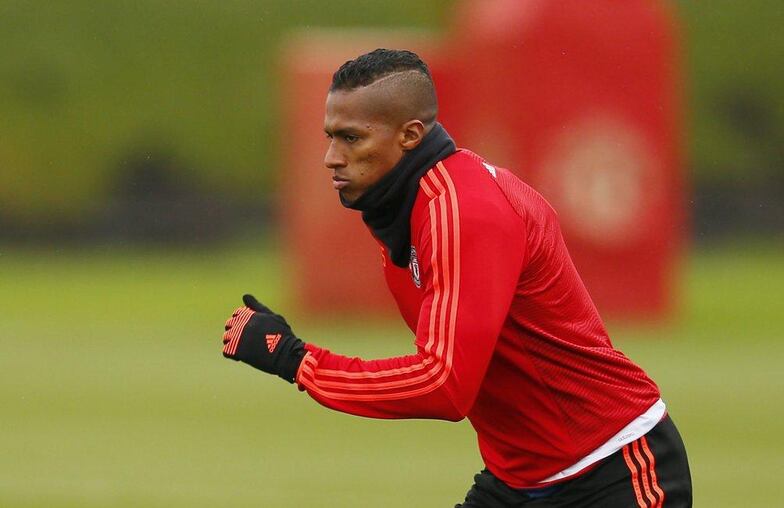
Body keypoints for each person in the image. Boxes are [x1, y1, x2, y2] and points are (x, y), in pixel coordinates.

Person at [221, 48, 692, 507]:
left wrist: (297, 360)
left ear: (409, 135)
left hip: (613, 470)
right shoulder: (401, 207)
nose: (330, 157)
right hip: (519, 477)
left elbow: (443, 384)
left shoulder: (463, 212)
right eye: (330, 136)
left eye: (351, 138)